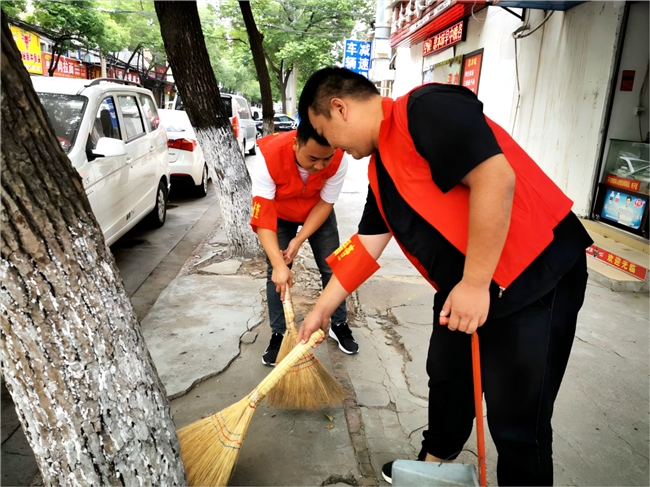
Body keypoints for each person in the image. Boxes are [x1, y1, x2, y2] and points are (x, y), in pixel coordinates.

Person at [295, 67, 592, 486]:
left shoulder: (426, 107)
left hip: (535, 276)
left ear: (339, 108)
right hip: (467, 287)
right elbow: (365, 244)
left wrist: (474, 286)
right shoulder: (380, 171)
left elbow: (495, 177)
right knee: (449, 378)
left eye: (327, 133)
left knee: (517, 419)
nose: (333, 147)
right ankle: (431, 467)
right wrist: (321, 310)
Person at [251, 121, 359, 367]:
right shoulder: (269, 157)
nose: (319, 166)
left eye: (326, 159)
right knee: (276, 274)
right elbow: (263, 217)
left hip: (317, 210)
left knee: (333, 267)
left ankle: (339, 323)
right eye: (312, 158)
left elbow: (326, 203)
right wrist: (279, 264)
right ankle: (280, 333)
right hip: (279, 213)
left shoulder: (339, 157)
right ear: (295, 143)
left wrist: (299, 239)